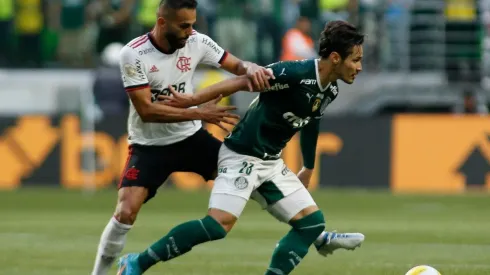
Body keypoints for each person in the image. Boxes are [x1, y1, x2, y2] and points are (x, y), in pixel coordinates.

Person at [117, 20, 366, 275]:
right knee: (217, 226)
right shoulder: (294, 74)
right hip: (241, 155)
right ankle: (136, 262)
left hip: (270, 163)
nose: (358, 67)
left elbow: (312, 120)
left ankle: (320, 239)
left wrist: (309, 167)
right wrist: (192, 101)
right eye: (355, 60)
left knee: (312, 224)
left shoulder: (330, 88)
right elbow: (244, 81)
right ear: (335, 58)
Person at [89, 0, 274, 274]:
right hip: (148, 146)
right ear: (162, 22)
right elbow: (147, 111)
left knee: (249, 178)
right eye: (184, 25)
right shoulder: (133, 54)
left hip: (191, 140)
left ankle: (309, 227)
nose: (191, 31)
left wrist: (252, 68)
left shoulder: (198, 41)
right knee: (125, 212)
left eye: (193, 24)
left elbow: (237, 65)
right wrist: (200, 113)